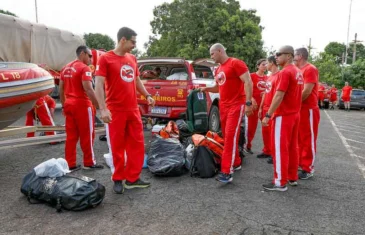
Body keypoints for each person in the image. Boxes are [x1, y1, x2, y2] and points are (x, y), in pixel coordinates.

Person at [94, 27, 155, 194]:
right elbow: (98, 84)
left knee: (137, 144)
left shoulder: (132, 58)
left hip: (133, 109)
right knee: (117, 146)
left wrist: (147, 95)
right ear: (123, 40)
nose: (134, 45)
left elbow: (136, 80)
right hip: (115, 110)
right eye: (132, 42)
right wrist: (103, 109)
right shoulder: (106, 59)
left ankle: (132, 179)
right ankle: (118, 179)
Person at [200, 43, 253, 183]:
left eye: (212, 54)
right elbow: (218, 88)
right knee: (228, 136)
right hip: (224, 105)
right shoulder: (218, 69)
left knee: (229, 137)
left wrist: (248, 103)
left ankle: (227, 172)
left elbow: (248, 82)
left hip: (236, 105)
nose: (211, 56)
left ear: (219, 51)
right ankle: (235, 162)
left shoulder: (236, 63)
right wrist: (206, 89)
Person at [261, 46, 303, 191]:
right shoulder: (298, 71)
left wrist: (268, 114)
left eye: (279, 54)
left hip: (284, 115)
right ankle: (292, 177)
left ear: (289, 56)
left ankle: (279, 181)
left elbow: (279, 95)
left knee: (279, 148)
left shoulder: (285, 72)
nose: (276, 57)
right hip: (294, 114)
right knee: (292, 147)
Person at [59, 45, 103, 171]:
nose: (91, 59)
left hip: (69, 104)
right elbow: (88, 89)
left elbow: (61, 89)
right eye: (89, 56)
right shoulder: (84, 68)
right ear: (82, 54)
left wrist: (63, 105)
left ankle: (70, 163)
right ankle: (89, 162)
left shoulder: (65, 68)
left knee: (71, 136)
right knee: (87, 135)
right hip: (82, 105)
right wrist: (99, 106)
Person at [294, 47, 320, 180]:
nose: (293, 57)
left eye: (295, 55)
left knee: (308, 139)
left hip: (308, 108)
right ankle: (300, 163)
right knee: (299, 138)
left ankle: (308, 168)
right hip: (300, 108)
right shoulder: (299, 70)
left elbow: (307, 91)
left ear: (301, 56)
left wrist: (294, 102)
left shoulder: (310, 69)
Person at [258, 56, 279, 164]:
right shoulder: (269, 77)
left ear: (272, 63)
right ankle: (267, 150)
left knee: (273, 133)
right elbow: (265, 93)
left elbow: (279, 95)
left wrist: (271, 111)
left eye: (267, 63)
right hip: (265, 107)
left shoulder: (279, 75)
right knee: (265, 132)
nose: (266, 66)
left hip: (272, 108)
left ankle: (274, 154)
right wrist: (261, 108)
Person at [245, 59, 267, 155]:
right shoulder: (252, 76)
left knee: (266, 128)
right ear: (258, 66)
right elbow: (246, 87)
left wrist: (266, 93)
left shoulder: (267, 77)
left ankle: (268, 150)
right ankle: (247, 146)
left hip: (263, 105)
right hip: (253, 105)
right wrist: (251, 99)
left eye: (266, 64)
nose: (265, 66)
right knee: (251, 127)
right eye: (263, 64)